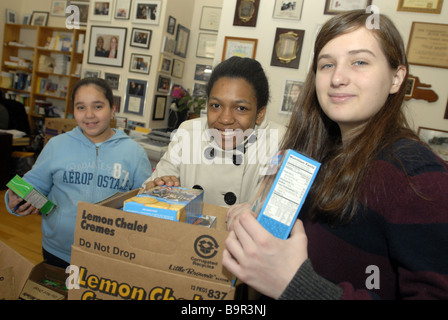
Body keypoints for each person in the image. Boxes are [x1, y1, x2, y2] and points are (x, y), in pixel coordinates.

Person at [223, 10, 448, 299]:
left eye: (360, 62)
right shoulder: (319, 154)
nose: (338, 78)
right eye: (327, 65)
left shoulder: (417, 177)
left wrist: (297, 286)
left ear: (396, 78)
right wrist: (257, 218)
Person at [4, 77, 152, 268]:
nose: (89, 115)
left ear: (113, 108)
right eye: (81, 107)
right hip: (58, 251)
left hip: (111, 255)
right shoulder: (57, 145)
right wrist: (14, 199)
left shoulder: (134, 152)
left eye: (98, 106)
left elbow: (145, 204)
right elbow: (32, 185)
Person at [143, 57, 286, 207]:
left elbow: (273, 216)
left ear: (259, 114)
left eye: (241, 108)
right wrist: (157, 189)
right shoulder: (188, 133)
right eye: (216, 105)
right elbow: (146, 193)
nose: (225, 119)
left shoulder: (280, 142)